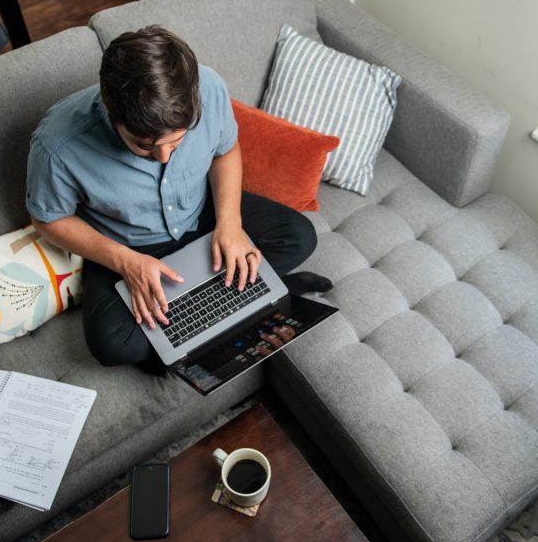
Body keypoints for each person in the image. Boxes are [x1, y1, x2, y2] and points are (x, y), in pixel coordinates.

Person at [26, 25, 331, 374]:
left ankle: (201, 321)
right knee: (110, 343)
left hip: (203, 212)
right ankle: (259, 298)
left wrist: (230, 223)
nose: (164, 159)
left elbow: (226, 150)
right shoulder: (56, 144)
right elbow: (48, 218)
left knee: (299, 236)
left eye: (177, 142)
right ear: (110, 106)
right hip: (128, 245)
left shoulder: (210, 87)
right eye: (144, 145)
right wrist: (126, 263)